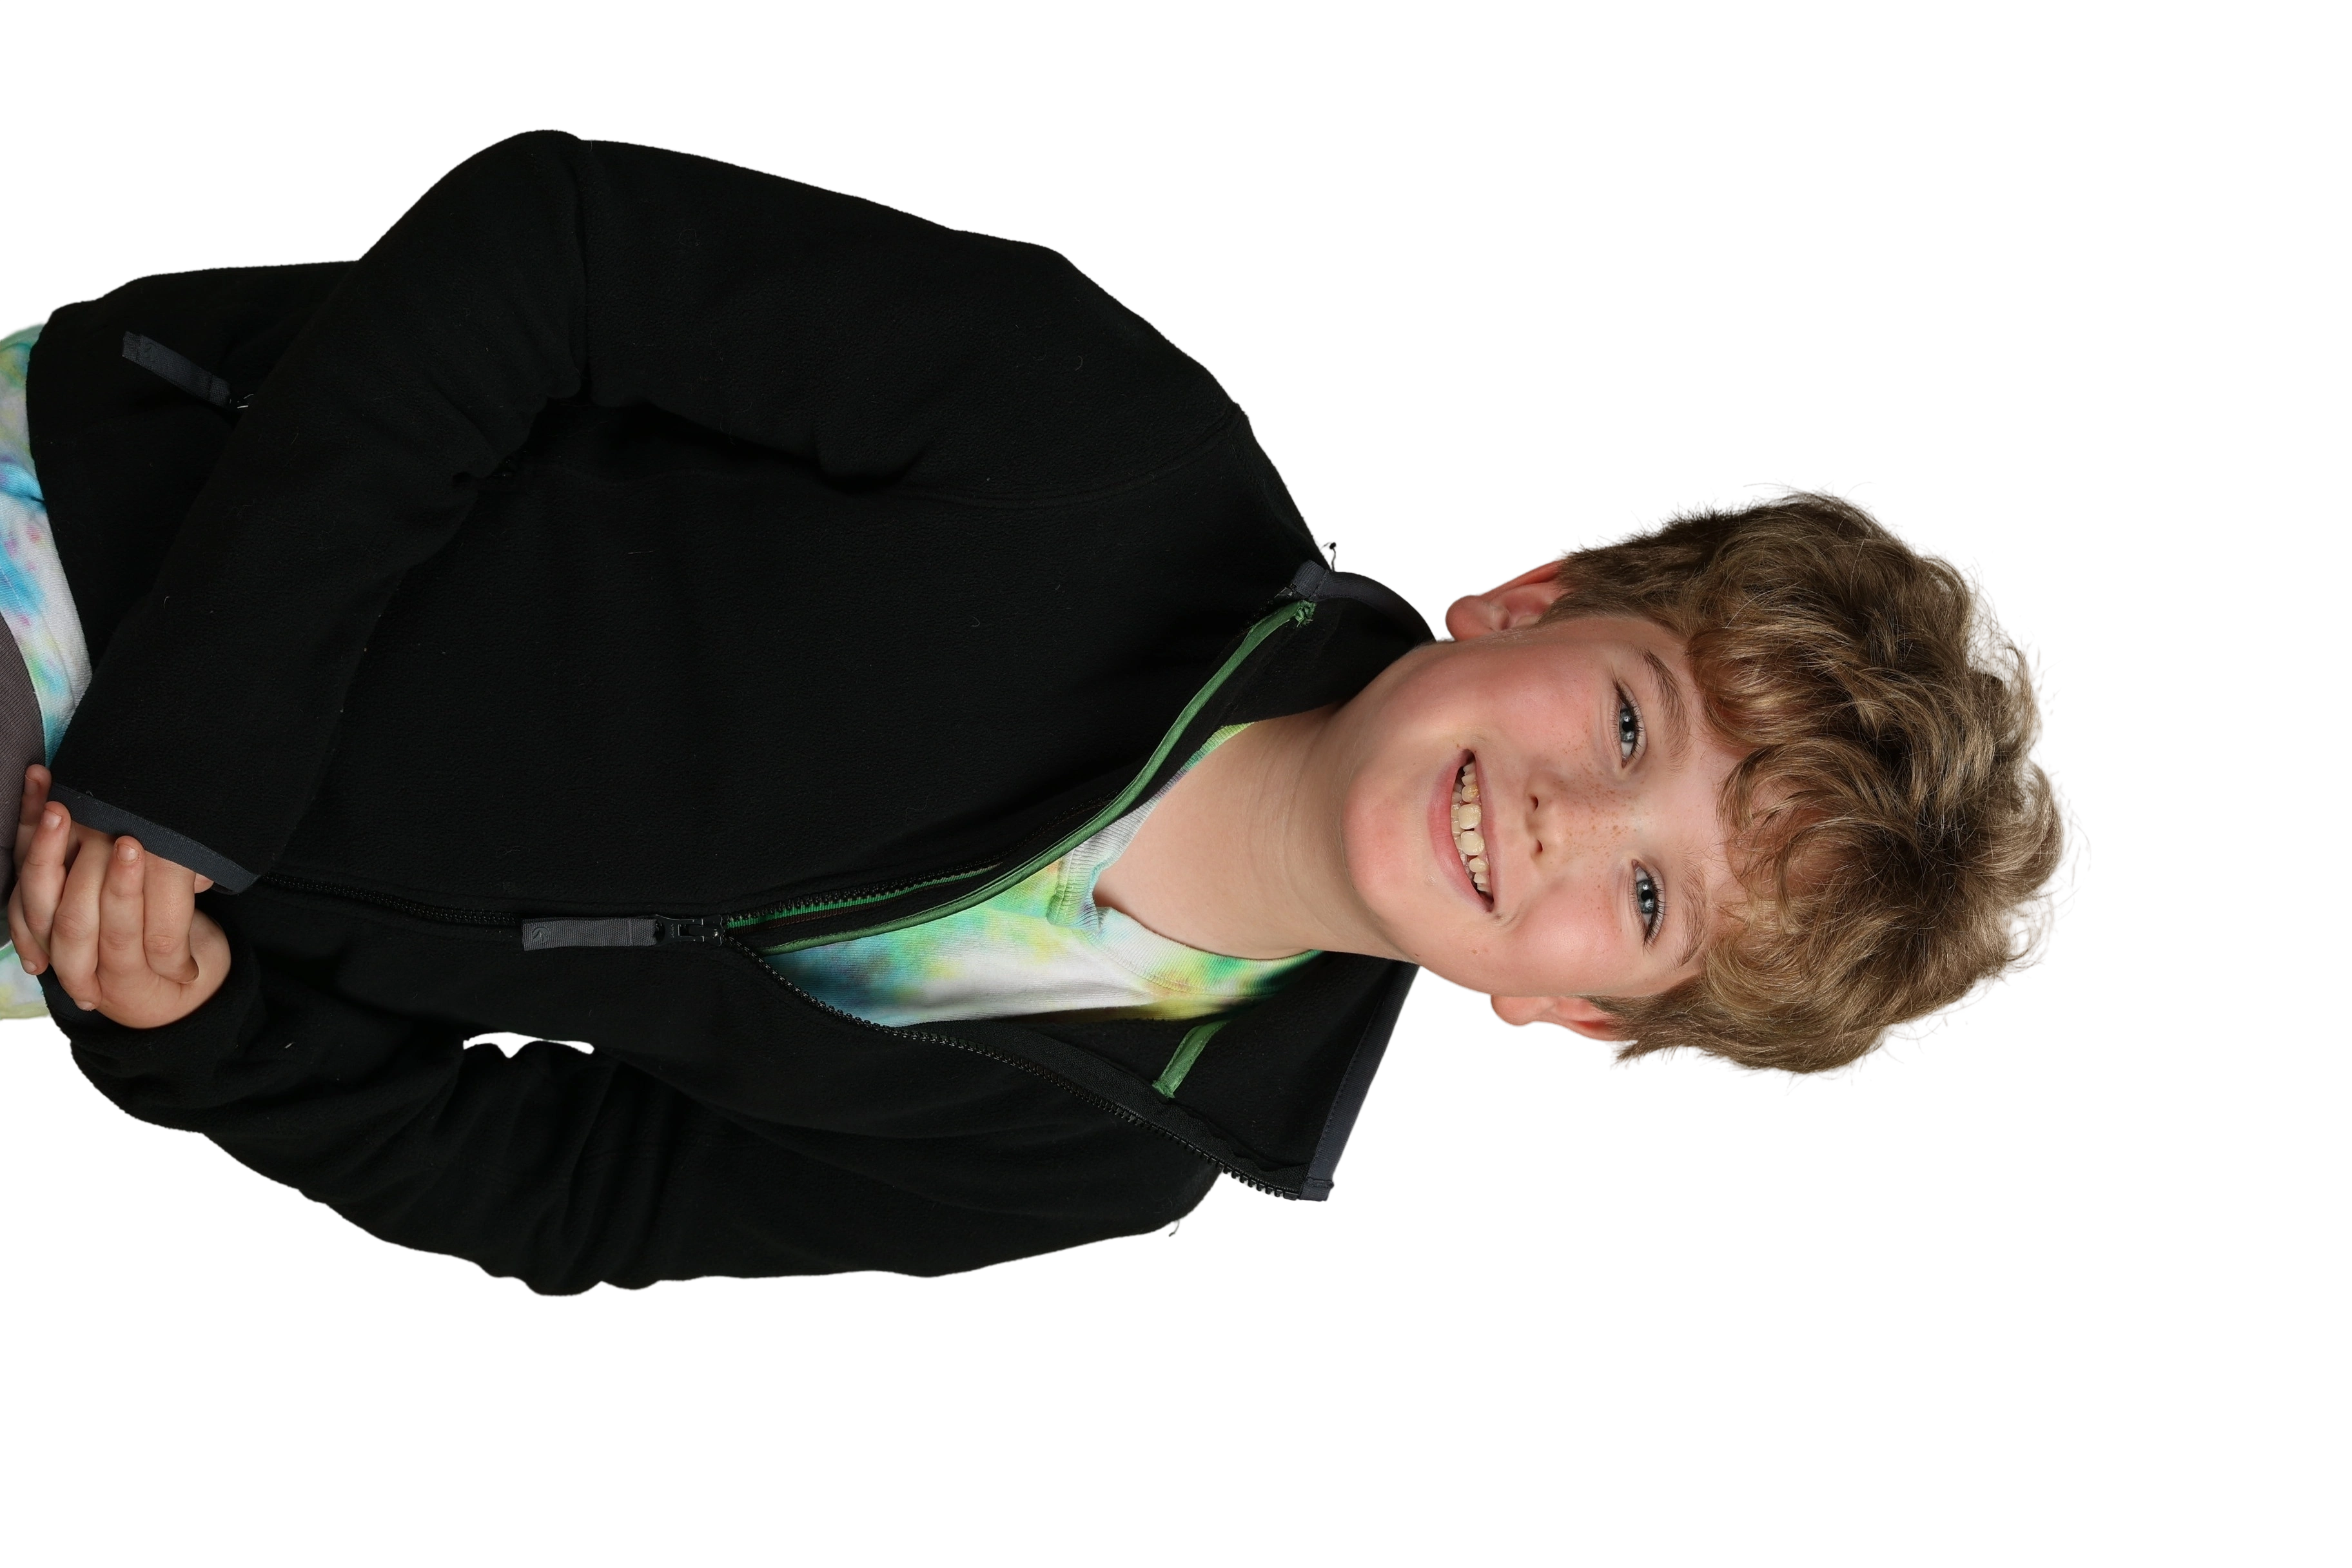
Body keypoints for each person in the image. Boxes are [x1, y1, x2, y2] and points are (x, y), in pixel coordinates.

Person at [1, 128, 2089, 1297]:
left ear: (1574, 1016)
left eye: (1647, 904)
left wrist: (209, 1036)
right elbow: (548, 242)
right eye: (1632, 728)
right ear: (1536, 600)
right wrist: (195, 760)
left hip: (92, 896)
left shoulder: (1099, 1155)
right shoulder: (1104, 453)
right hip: (94, 524)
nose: (1565, 820)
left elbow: (584, 1196)